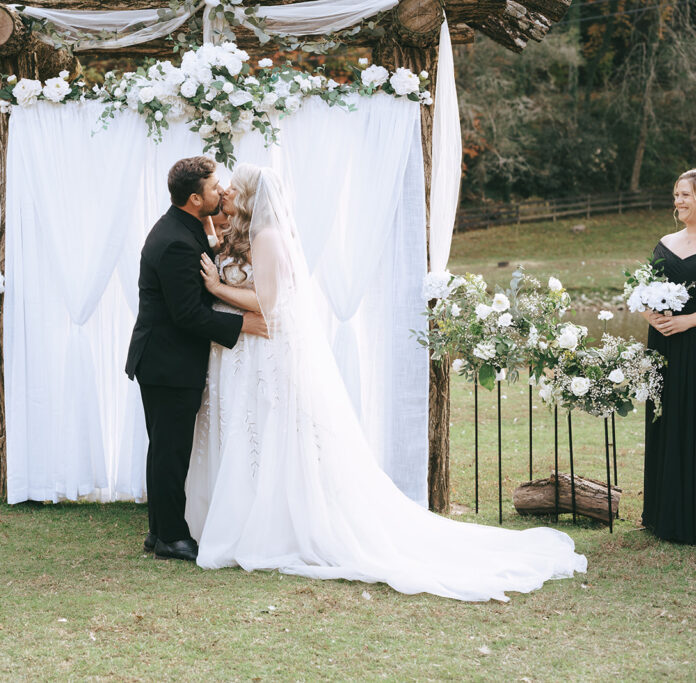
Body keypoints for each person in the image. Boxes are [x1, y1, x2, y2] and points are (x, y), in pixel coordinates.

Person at [185, 163, 587, 602]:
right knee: (252, 434)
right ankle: (244, 516)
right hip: (244, 353)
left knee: (268, 434)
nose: (226, 192)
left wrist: (217, 288)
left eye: (233, 188)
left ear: (250, 196)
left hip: (264, 352)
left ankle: (272, 527)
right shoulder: (241, 232)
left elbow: (269, 301)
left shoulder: (269, 237)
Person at [126, 156, 268, 562]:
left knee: (165, 449)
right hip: (166, 363)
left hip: (165, 360)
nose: (220, 191)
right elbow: (187, 314)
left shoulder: (185, 227)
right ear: (194, 198)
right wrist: (243, 325)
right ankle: (171, 536)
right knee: (170, 452)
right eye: (213, 187)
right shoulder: (175, 241)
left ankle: (159, 531)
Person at [640, 168, 696, 545]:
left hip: (693, 342)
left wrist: (689, 321)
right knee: (665, 418)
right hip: (664, 346)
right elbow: (642, 289)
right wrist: (650, 315)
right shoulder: (665, 242)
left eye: (685, 195)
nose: (678, 201)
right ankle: (663, 513)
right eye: (676, 194)